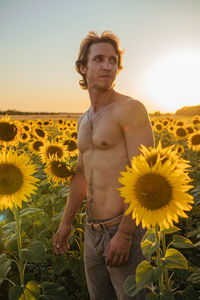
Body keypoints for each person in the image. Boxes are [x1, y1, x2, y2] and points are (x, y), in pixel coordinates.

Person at [53, 31, 154, 300]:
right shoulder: (83, 121)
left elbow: (146, 178)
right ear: (82, 68)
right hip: (92, 231)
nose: (108, 66)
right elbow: (81, 174)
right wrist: (66, 223)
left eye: (112, 60)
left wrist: (125, 233)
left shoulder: (130, 110)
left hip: (124, 229)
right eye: (98, 59)